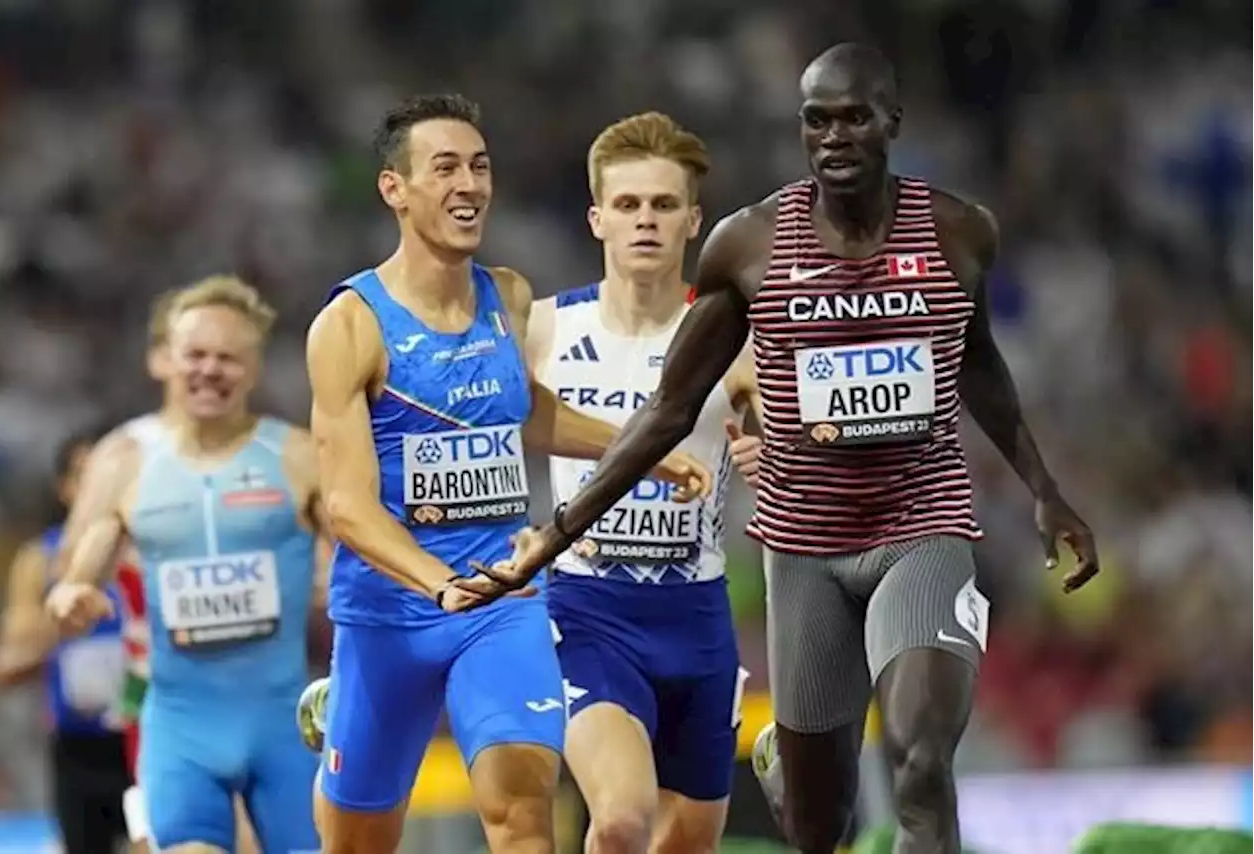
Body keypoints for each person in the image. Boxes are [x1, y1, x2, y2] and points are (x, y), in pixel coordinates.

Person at [449, 44, 1101, 854]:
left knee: (919, 759)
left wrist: (1042, 484)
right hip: (800, 552)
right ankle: (790, 774)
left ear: (892, 122)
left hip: (921, 528)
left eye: (854, 117)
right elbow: (666, 411)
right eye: (816, 121)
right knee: (814, 822)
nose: (834, 137)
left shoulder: (958, 232)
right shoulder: (748, 245)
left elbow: (973, 359)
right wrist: (553, 534)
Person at [305, 93, 709, 854]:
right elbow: (347, 508)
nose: (470, 185)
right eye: (446, 168)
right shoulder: (350, 324)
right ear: (395, 189)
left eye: (480, 167)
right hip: (389, 617)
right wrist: (436, 584)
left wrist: (638, 445)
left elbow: (524, 413)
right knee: (355, 842)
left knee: (522, 805)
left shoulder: (509, 296)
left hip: (503, 603)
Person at [525, 112, 760, 854]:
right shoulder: (542, 331)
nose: (645, 222)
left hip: (697, 616)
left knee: (686, 842)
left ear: (695, 221)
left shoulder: (737, 335)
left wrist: (778, 459)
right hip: (587, 609)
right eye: (627, 206)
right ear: (597, 218)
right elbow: (477, 428)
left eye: (663, 206)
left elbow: (799, 445)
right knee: (621, 819)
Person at [46, 275, 326, 854]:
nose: (210, 370)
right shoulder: (124, 461)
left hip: (281, 723)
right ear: (166, 362)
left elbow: (353, 552)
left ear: (253, 369)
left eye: (228, 357)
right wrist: (73, 593)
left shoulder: (295, 455)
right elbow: (81, 563)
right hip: (178, 724)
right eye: (195, 355)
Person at [0, 424, 130, 854]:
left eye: (110, 472)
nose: (100, 487)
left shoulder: (154, 547)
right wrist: (68, 597)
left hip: (153, 735)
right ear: (64, 488)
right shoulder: (39, 559)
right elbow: (10, 658)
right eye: (85, 475)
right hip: (79, 747)